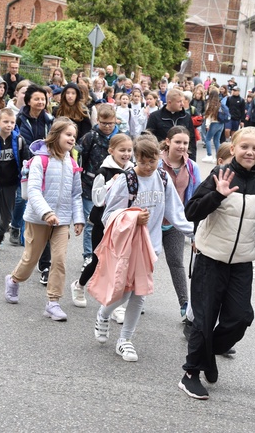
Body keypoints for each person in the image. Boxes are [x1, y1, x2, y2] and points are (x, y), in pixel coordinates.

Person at [179, 127, 255, 400]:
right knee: (204, 319)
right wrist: (217, 195)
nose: (249, 152)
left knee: (240, 318)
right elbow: (191, 210)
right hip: (210, 259)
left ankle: (208, 353)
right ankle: (191, 374)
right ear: (232, 149)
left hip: (241, 263)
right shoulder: (219, 175)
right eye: (244, 146)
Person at [90, 135, 193, 362]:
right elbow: (108, 216)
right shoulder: (126, 180)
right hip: (128, 247)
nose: (147, 167)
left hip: (151, 247)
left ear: (160, 156)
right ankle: (103, 313)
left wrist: (195, 234)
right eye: (142, 162)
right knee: (125, 292)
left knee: (140, 293)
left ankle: (125, 340)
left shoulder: (163, 178)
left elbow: (175, 212)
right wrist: (133, 218)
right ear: (135, 159)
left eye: (152, 161)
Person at [3, 118, 84, 321]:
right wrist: (46, 213)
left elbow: (76, 195)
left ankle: (53, 302)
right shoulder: (41, 160)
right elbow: (33, 191)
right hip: (38, 218)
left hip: (62, 221)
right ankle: (14, 279)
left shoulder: (73, 163)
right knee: (31, 259)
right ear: (56, 136)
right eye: (68, 134)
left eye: (74, 136)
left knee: (59, 260)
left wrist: (79, 219)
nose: (72, 139)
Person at [70, 134, 134, 308]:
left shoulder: (132, 171)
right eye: (122, 150)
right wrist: (110, 184)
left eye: (129, 150)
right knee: (98, 259)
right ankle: (79, 285)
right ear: (111, 151)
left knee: (121, 262)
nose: (126, 154)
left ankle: (116, 302)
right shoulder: (104, 171)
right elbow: (97, 199)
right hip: (102, 222)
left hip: (124, 223)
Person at [8, 84, 55, 282]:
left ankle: (45, 265)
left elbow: (53, 140)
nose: (40, 102)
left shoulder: (49, 120)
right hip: (26, 167)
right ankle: (17, 227)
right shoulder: (20, 119)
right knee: (22, 201)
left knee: (43, 212)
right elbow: (23, 144)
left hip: (46, 169)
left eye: (43, 99)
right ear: (28, 101)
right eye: (36, 98)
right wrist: (35, 157)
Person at [158, 127, 201, 319]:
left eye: (185, 143)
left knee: (176, 262)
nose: (182, 146)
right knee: (146, 261)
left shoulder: (191, 167)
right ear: (168, 141)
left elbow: (197, 198)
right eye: (178, 142)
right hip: (151, 222)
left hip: (176, 223)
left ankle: (184, 304)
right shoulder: (156, 162)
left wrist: (195, 231)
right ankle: (136, 296)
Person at [0, 108, 30, 261]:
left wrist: (26, 175)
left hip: (10, 183)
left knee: (7, 216)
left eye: (12, 122)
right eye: (5, 122)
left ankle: (0, 235)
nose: (9, 125)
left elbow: (26, 161)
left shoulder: (19, 140)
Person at [79, 104, 120, 266]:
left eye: (110, 123)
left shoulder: (120, 137)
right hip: (90, 185)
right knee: (91, 221)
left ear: (115, 121)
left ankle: (103, 254)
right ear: (98, 121)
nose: (107, 127)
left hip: (113, 187)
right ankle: (88, 255)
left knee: (108, 223)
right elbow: (81, 158)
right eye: (104, 123)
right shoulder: (90, 137)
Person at [145, 88, 197, 161]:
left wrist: (192, 160)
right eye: (179, 101)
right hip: (161, 158)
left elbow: (192, 139)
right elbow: (148, 139)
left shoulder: (186, 117)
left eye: (182, 101)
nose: (182, 104)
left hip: (182, 158)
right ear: (169, 102)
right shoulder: (155, 116)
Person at [201, 89, 228, 164]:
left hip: (213, 123)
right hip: (221, 123)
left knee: (208, 139)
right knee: (217, 140)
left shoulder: (210, 103)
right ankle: (218, 157)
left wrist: (207, 124)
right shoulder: (220, 103)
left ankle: (209, 155)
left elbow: (209, 115)